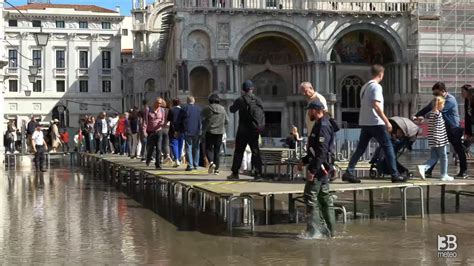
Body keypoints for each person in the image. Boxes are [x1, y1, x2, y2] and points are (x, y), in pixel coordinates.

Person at [342, 65, 407, 183]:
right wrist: (387, 121)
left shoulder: (364, 87)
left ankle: (349, 171)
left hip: (365, 122)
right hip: (376, 122)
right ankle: (395, 174)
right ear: (381, 74)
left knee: (360, 148)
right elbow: (376, 105)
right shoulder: (376, 87)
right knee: (388, 147)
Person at [297, 100, 336, 239]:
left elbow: (322, 152)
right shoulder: (320, 124)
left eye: (309, 110)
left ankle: (314, 232)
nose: (308, 113)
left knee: (310, 197)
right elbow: (314, 150)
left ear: (316, 110)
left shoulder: (323, 125)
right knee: (324, 198)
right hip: (321, 166)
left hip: (320, 168)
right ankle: (331, 233)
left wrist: (312, 171)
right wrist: (304, 160)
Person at [415, 82, 467, 178]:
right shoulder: (438, 100)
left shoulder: (450, 100)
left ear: (443, 91)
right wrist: (417, 115)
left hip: (452, 128)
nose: (435, 96)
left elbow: (438, 111)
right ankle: (429, 170)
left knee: (458, 149)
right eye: (434, 94)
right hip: (441, 128)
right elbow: (428, 108)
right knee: (439, 151)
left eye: (437, 93)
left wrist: (423, 116)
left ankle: (463, 171)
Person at [227, 80, 265, 180]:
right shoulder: (258, 100)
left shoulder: (241, 100)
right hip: (254, 130)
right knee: (255, 151)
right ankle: (258, 174)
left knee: (239, 151)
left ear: (243, 90)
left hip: (243, 130)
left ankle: (235, 173)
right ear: (252, 89)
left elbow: (232, 110)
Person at [417, 97, 453, 181]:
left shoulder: (431, 114)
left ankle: (424, 167)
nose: (444, 106)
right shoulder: (437, 114)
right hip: (440, 139)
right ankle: (444, 175)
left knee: (434, 157)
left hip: (433, 139)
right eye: (443, 104)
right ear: (439, 105)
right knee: (444, 157)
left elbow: (425, 117)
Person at [202, 94, 229, 175]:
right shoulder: (223, 109)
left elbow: (202, 118)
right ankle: (216, 170)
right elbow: (227, 121)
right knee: (217, 151)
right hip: (220, 132)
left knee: (208, 149)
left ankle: (211, 163)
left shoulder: (207, 108)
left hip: (209, 131)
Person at [143, 98, 166, 169]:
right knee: (151, 148)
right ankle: (148, 158)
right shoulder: (148, 109)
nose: (159, 105)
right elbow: (145, 121)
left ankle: (158, 164)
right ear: (155, 102)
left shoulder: (162, 110)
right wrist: (144, 131)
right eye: (158, 103)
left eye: (160, 103)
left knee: (159, 148)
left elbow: (163, 119)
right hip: (150, 132)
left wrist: (162, 123)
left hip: (158, 131)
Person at [182, 96, 202, 171]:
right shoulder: (199, 109)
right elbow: (201, 120)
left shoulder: (185, 108)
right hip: (197, 131)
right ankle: (196, 164)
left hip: (188, 131)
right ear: (194, 101)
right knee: (196, 148)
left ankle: (190, 165)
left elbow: (182, 119)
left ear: (187, 101)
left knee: (188, 148)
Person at [168, 98, 185, 167]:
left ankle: (176, 159)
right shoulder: (183, 111)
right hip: (181, 130)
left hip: (173, 130)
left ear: (173, 103)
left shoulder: (171, 110)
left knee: (173, 144)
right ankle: (179, 159)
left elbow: (168, 119)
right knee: (180, 145)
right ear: (179, 103)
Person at [160, 99, 172, 165]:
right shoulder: (169, 110)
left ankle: (162, 155)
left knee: (160, 143)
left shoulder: (159, 110)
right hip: (168, 128)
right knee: (166, 143)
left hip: (161, 128)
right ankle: (167, 155)